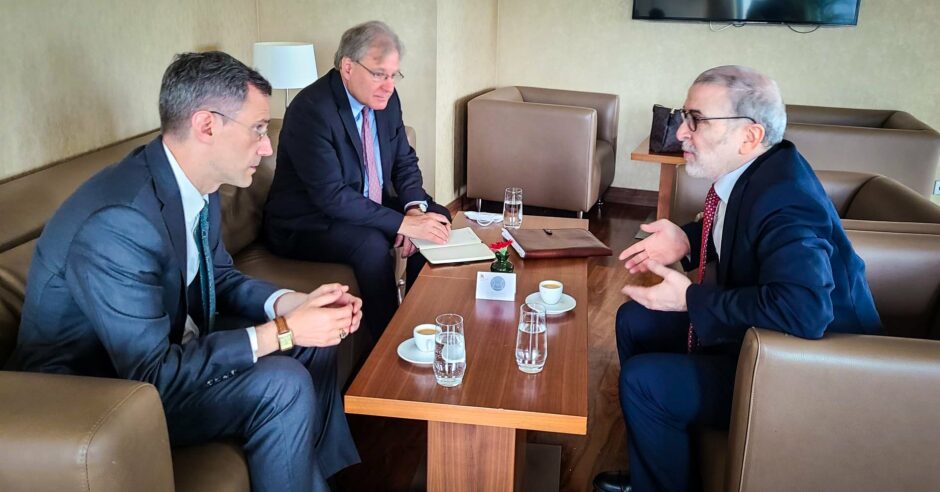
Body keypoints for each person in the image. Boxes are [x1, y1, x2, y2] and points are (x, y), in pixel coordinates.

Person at [11, 51, 361, 492]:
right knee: (282, 381)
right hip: (98, 398)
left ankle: (311, 477)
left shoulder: (201, 180)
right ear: (207, 125)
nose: (268, 145)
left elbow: (219, 275)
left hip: (165, 350)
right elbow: (150, 373)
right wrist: (285, 330)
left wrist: (291, 303)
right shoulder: (118, 221)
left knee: (318, 344)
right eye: (257, 129)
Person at [592, 66, 881, 492]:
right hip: (763, 340)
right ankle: (664, 461)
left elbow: (803, 310)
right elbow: (740, 236)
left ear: (749, 136)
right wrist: (687, 241)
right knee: (635, 319)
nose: (680, 134)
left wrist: (690, 299)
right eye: (683, 117)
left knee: (645, 382)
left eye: (697, 120)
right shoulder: (757, 173)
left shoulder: (786, 199)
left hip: (810, 369)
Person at [263, 20, 452, 339]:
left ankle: (424, 322)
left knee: (438, 217)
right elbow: (332, 197)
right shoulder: (311, 110)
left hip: (363, 204)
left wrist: (415, 212)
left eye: (394, 75)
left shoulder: (386, 100)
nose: (388, 85)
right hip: (307, 221)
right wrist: (401, 224)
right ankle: (388, 342)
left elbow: (404, 161)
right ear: (347, 67)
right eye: (379, 74)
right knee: (371, 246)